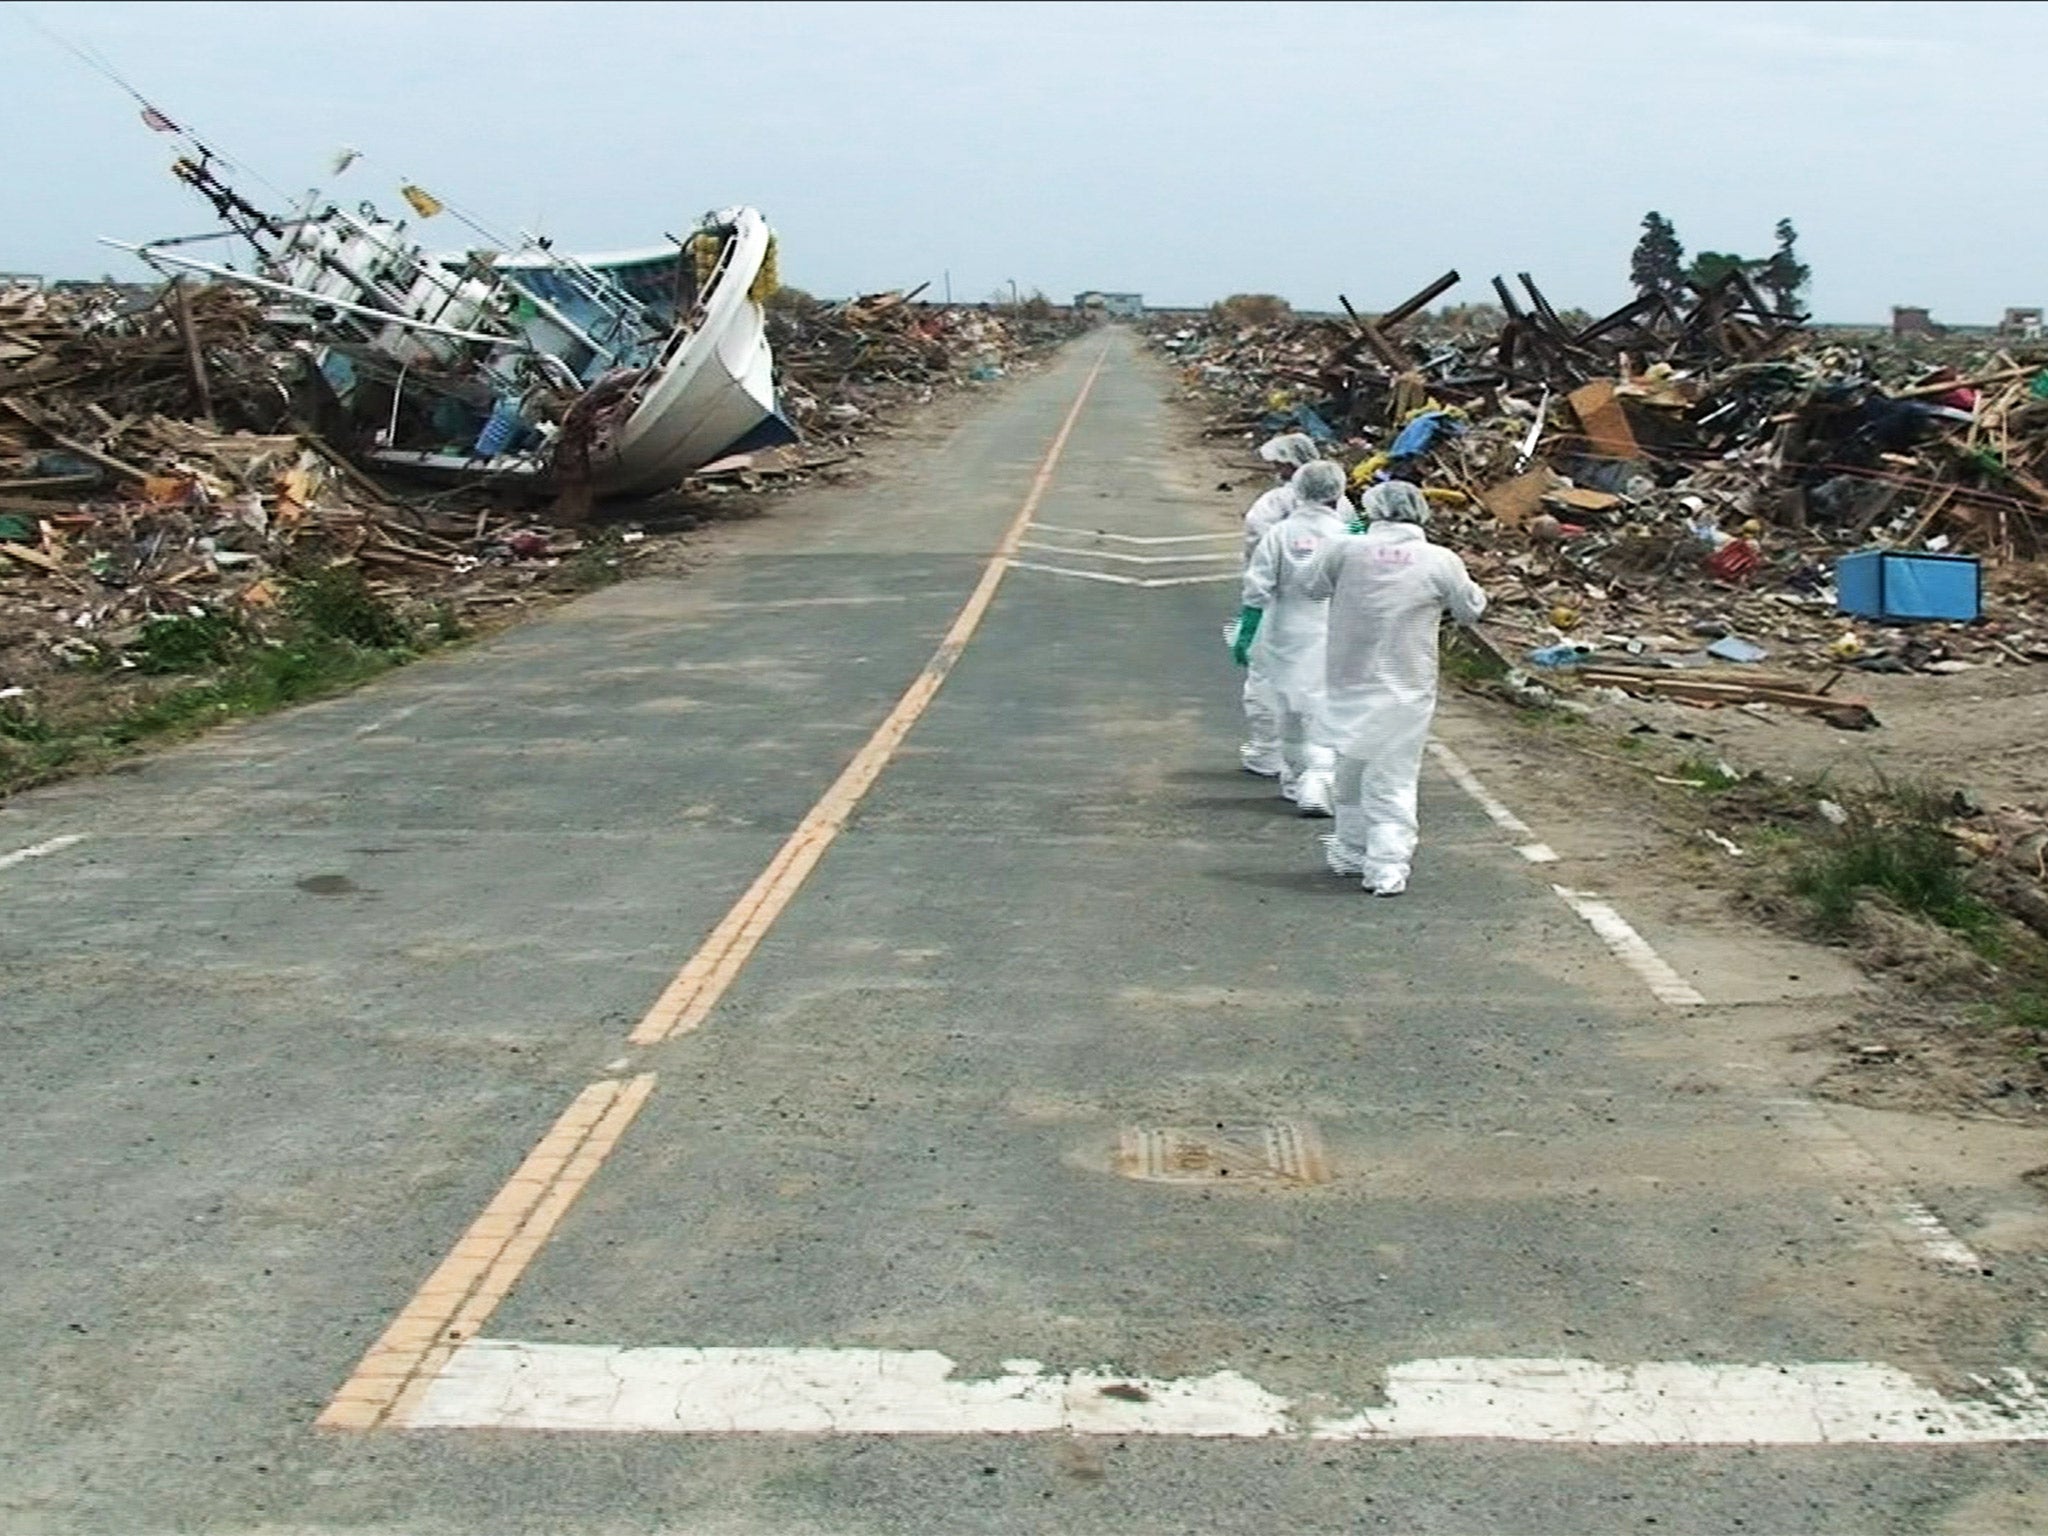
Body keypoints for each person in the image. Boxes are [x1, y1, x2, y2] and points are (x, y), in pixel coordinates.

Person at [1303, 480, 1487, 896]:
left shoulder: (1345, 550)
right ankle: (1386, 867)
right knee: (1394, 778)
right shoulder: (1441, 560)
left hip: (1348, 682)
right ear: (1421, 512)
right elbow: (1471, 609)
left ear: (1372, 511)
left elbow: (1310, 586)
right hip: (1406, 687)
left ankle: (1351, 852)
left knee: (1349, 770)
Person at [1231, 461, 1347, 815]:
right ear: (1337, 493)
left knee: (1290, 711)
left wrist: (1246, 632)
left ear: (1297, 490)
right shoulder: (1348, 534)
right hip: (1336, 630)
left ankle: (1296, 780)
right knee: (1328, 711)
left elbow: (1257, 586)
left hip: (1286, 630)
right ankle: (1319, 781)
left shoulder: (1279, 534)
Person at [1234, 433, 1318, 776]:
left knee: (1265, 682)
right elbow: (1356, 540)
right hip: (1324, 612)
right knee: (1316, 686)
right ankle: (1315, 761)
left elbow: (1258, 554)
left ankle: (1268, 754)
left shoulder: (1273, 508)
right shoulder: (1342, 510)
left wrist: (1247, 625)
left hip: (1279, 607)